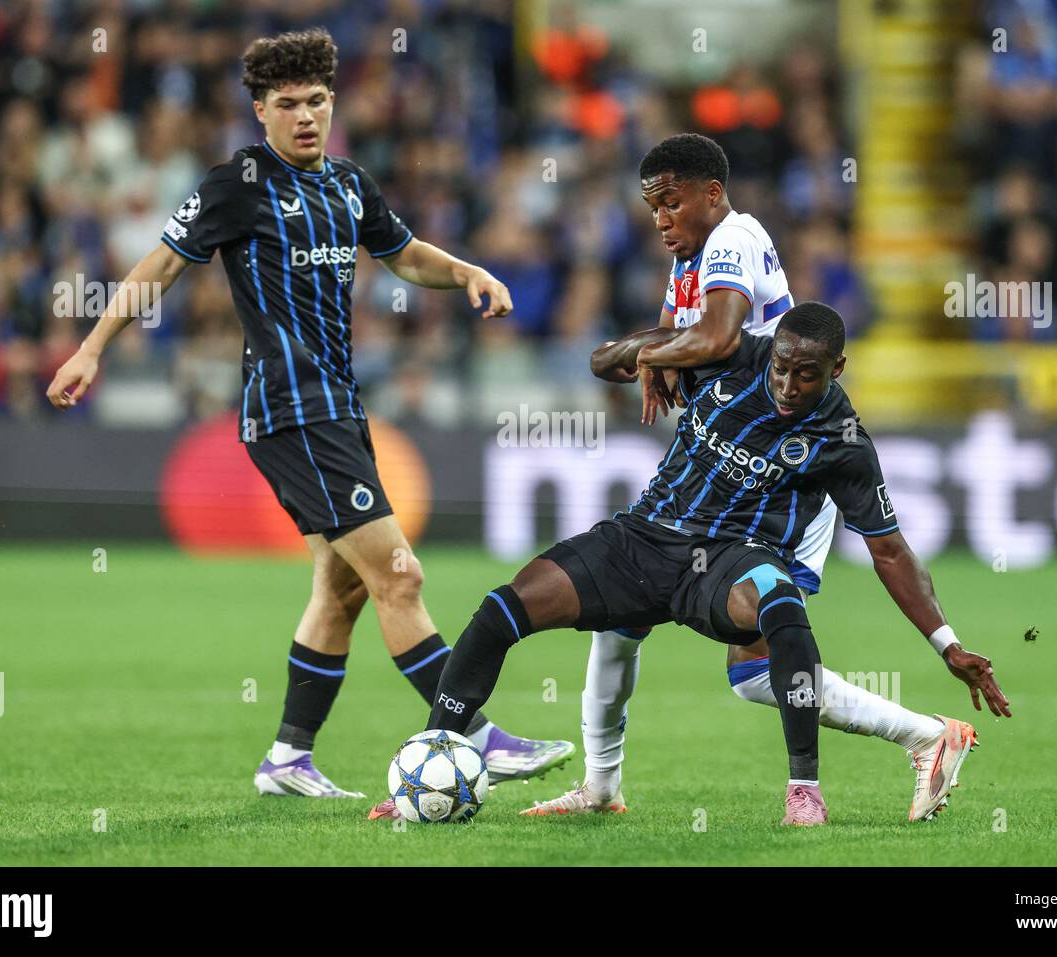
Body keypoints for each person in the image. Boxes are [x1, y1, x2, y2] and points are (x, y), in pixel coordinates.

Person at [46, 27, 572, 801]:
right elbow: (159, 263)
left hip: (340, 408)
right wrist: (92, 347)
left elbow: (402, 253)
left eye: (317, 102)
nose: (304, 117)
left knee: (343, 587)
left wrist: (465, 272)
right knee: (400, 571)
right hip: (292, 411)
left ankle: (288, 759)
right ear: (259, 111)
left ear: (334, 104)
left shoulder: (349, 185)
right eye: (287, 104)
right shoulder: (238, 184)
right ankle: (475, 734)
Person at [539, 133, 997, 821]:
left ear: (708, 194)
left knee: (738, 659)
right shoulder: (693, 257)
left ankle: (912, 742)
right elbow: (681, 341)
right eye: (653, 207)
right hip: (726, 468)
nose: (660, 218)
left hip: (774, 482)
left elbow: (717, 338)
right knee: (658, 633)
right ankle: (602, 786)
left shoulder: (735, 239)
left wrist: (639, 349)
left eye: (669, 202)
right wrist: (661, 351)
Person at [419, 302, 1010, 826]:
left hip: (728, 560)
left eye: (806, 374)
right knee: (504, 608)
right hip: (643, 538)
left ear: (838, 369)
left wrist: (947, 645)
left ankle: (804, 789)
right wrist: (649, 351)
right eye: (781, 366)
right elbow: (603, 362)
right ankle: (434, 756)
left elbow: (889, 549)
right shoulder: (726, 352)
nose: (786, 383)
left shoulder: (842, 439)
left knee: (775, 611)